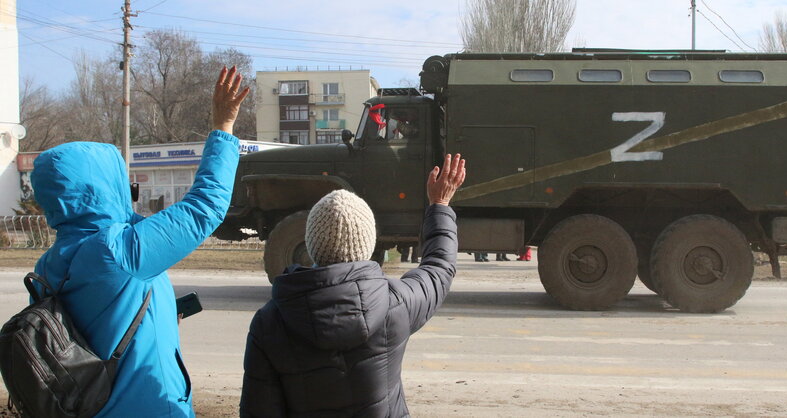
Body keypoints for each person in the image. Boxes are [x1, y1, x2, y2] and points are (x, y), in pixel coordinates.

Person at [30, 66, 249, 417]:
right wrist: (223, 127)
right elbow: (204, 207)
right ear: (106, 187)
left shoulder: (49, 264)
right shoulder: (117, 252)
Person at [240, 154, 467, 417]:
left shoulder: (269, 323)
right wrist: (439, 204)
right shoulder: (396, 305)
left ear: (312, 244)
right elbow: (439, 267)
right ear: (368, 243)